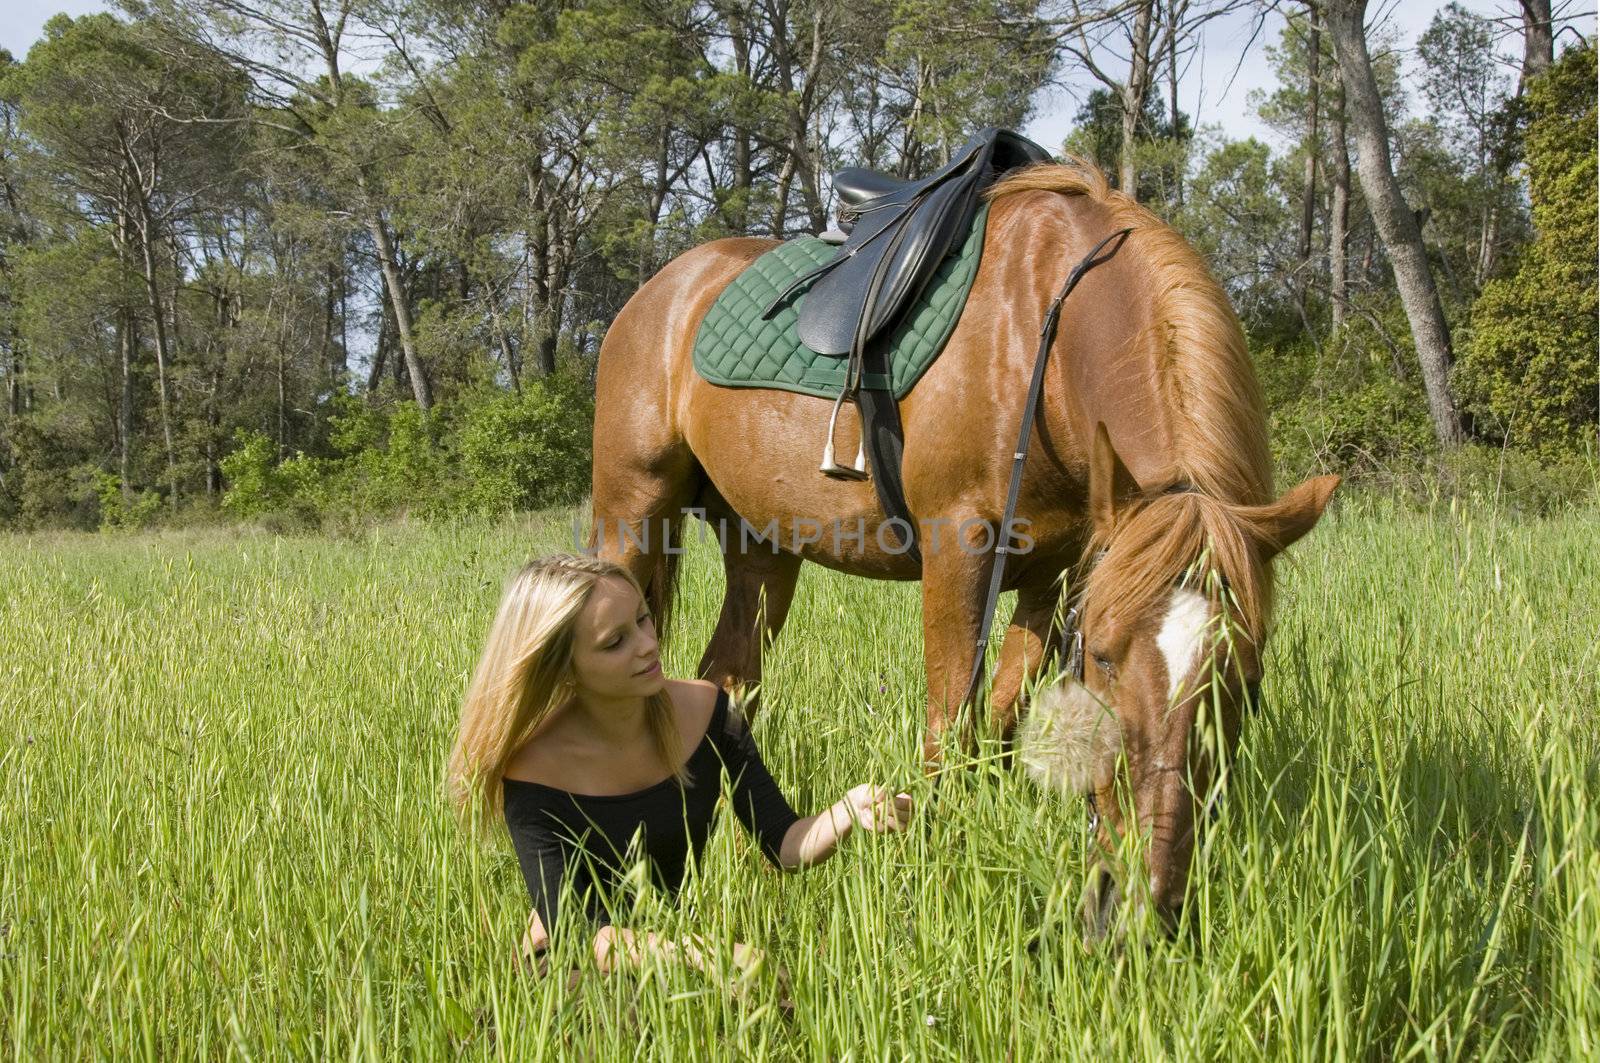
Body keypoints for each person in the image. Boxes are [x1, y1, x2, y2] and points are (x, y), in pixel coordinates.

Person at [445, 552, 913, 983]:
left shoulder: (709, 712)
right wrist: (699, 953)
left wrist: (848, 812)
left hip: (672, 950)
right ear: (563, 667)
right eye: (615, 642)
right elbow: (575, 929)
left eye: (644, 619)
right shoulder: (532, 767)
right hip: (577, 961)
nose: (648, 645)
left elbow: (782, 843)